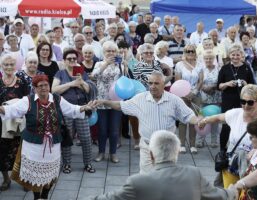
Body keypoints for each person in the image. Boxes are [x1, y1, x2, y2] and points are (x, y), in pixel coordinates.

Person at [0, 74, 96, 199]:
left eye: (46, 85)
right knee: (36, 175)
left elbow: (72, 110)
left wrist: (85, 107)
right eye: (40, 86)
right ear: (35, 88)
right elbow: (10, 110)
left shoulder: (57, 99)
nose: (44, 88)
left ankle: (45, 195)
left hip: (53, 145)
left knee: (50, 174)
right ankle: (36, 196)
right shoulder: (27, 101)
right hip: (33, 147)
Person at [95, 71, 202, 173]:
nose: (152, 86)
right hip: (147, 147)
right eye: (150, 83)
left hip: (167, 148)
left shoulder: (174, 100)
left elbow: (188, 115)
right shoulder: (140, 98)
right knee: (146, 178)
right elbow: (120, 105)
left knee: (166, 178)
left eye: (156, 83)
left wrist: (197, 120)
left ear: (163, 84)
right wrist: (104, 102)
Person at [90, 130, 238, 200]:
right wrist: (232, 190)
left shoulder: (137, 182)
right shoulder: (194, 174)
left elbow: (108, 199)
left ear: (152, 155)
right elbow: (219, 195)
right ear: (177, 153)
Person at [198, 84, 257, 188]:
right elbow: (218, 117)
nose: (246, 105)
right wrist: (204, 121)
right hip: (231, 165)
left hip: (253, 167)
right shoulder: (235, 114)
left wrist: (255, 151)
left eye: (250, 102)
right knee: (230, 194)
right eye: (243, 101)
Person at [52, 49, 96, 174]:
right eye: (69, 59)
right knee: (67, 138)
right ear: (64, 61)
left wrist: (81, 82)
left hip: (82, 109)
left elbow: (88, 90)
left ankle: (88, 163)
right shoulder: (60, 73)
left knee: (86, 138)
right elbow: (54, 90)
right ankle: (66, 164)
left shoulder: (81, 72)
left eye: (74, 59)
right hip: (66, 110)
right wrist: (71, 84)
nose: (72, 61)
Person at [217, 44, 255, 153]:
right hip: (228, 100)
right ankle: (222, 149)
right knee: (226, 125)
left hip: (243, 101)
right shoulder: (225, 68)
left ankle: (240, 147)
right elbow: (218, 86)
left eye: (237, 55)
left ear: (241, 55)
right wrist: (227, 84)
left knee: (242, 124)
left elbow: (252, 85)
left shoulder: (247, 67)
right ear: (229, 55)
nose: (235, 57)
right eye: (233, 55)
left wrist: (245, 83)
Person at [91, 41, 124, 163]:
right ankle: (101, 152)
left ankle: (113, 153)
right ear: (103, 52)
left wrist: (123, 65)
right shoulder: (99, 63)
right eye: (108, 51)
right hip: (102, 100)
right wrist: (106, 64)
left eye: (113, 51)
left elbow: (124, 80)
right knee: (102, 129)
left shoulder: (120, 64)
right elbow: (94, 76)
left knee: (114, 130)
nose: (111, 53)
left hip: (116, 101)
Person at [0, 54, 29, 191]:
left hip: (18, 123)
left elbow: (27, 101)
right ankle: (6, 179)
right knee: (2, 152)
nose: (9, 67)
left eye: (12, 64)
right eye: (6, 64)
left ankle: (23, 179)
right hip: (1, 123)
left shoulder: (21, 82)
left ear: (15, 66)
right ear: (2, 66)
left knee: (21, 152)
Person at [175, 44, 202, 153]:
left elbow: (201, 81)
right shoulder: (179, 65)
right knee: (182, 120)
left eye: (192, 51)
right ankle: (181, 144)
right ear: (184, 52)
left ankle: (192, 144)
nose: (190, 53)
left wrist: (194, 92)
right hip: (182, 95)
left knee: (194, 119)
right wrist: (185, 94)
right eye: (187, 51)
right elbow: (178, 81)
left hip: (196, 95)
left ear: (195, 53)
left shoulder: (199, 65)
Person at [198, 50, 221, 148]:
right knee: (202, 119)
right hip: (203, 98)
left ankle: (214, 140)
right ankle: (200, 140)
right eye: (206, 58)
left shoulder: (219, 69)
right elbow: (198, 81)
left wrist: (212, 87)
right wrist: (203, 87)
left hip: (216, 98)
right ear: (203, 59)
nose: (208, 60)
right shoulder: (201, 69)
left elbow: (221, 81)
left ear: (214, 59)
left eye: (210, 58)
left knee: (214, 120)